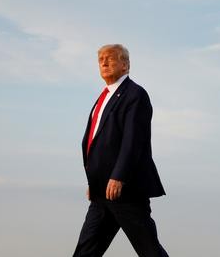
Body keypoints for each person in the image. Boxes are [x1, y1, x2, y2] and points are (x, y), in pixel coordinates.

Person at [72, 44, 168, 257]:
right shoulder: (103, 96)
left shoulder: (135, 94)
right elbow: (97, 141)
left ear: (125, 65)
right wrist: (93, 181)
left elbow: (133, 140)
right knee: (85, 251)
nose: (104, 63)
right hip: (101, 191)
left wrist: (119, 176)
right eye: (101, 60)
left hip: (125, 190)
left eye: (111, 58)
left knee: (149, 250)